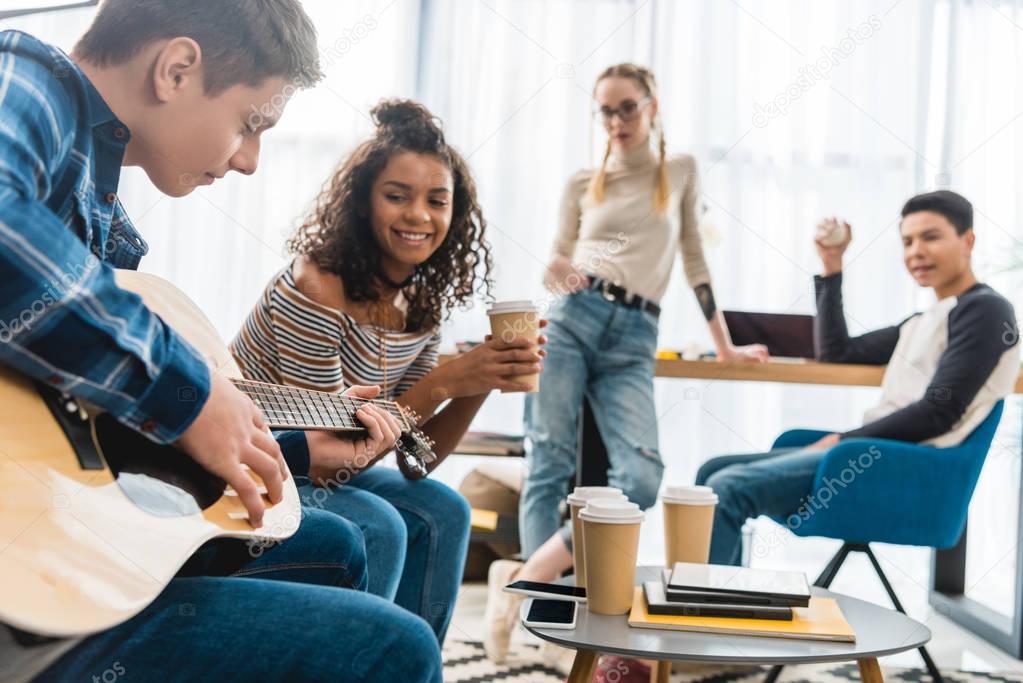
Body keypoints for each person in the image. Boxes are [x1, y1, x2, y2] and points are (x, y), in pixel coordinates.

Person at [0, 3, 442, 681]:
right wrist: (189, 393)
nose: (249, 161)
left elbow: (76, 424)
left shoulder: (98, 194)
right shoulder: (23, 77)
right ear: (176, 69)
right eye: (250, 124)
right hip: (23, 593)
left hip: (47, 530)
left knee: (330, 541)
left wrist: (283, 445)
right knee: (396, 647)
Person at [230, 98, 546, 644]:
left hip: (326, 466)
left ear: (456, 213)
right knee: (380, 523)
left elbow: (417, 460)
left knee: (445, 507)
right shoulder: (316, 287)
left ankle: (417, 662)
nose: (418, 215)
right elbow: (325, 458)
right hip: (267, 461)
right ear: (362, 202)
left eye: (436, 201)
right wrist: (445, 380)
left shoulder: (420, 307)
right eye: (397, 196)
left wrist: (483, 381)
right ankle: (363, 660)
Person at [483, 62, 767, 663]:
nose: (617, 121)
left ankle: (523, 581)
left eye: (628, 107)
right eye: (606, 111)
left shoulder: (681, 172)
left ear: (652, 105)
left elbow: (694, 260)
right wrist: (564, 272)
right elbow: (553, 262)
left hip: (636, 333)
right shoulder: (585, 181)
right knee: (549, 464)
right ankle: (550, 623)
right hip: (573, 317)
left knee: (640, 477)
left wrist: (724, 346)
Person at [695, 190, 1020, 566]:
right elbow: (837, 352)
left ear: (969, 240)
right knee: (712, 471)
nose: (916, 252)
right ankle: (724, 595)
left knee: (726, 487)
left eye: (930, 237)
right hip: (871, 455)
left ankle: (709, 611)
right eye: (907, 241)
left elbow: (938, 412)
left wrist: (840, 441)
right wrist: (832, 264)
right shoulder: (921, 322)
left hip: (908, 468)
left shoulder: (986, 310)